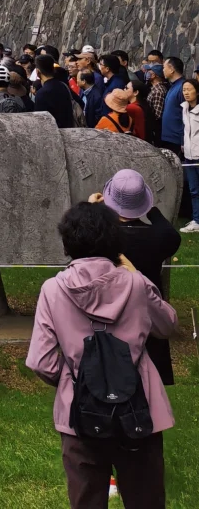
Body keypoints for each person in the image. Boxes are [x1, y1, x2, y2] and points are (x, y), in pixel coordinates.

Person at [26, 201, 176, 509]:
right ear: (115, 242)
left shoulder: (52, 290)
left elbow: (41, 361)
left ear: (67, 243)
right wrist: (136, 274)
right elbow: (168, 325)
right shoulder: (135, 284)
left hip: (80, 414)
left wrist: (76, 380)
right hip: (139, 408)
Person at [93, 169, 180, 388]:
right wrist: (149, 208)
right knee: (150, 388)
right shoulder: (159, 237)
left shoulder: (104, 238)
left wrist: (94, 209)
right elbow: (171, 234)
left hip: (112, 314)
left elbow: (82, 232)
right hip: (147, 311)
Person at [33, 54, 78, 129]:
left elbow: (40, 121)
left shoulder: (41, 93)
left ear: (38, 72)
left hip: (53, 133)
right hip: (69, 130)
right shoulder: (64, 86)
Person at [181, 77, 199, 231]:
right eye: (184, 90)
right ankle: (196, 220)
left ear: (197, 92)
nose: (186, 92)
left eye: (189, 89)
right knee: (193, 190)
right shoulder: (184, 108)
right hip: (188, 155)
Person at [159, 57, 185, 156]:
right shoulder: (173, 86)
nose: (163, 70)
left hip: (176, 139)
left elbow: (186, 114)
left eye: (164, 67)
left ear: (171, 69)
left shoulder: (183, 87)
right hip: (168, 137)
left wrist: (183, 140)